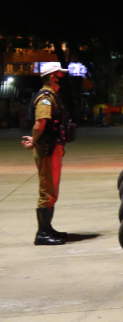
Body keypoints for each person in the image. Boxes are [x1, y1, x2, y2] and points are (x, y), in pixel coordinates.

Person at [21, 62, 71, 246]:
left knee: (51, 189)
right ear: (52, 76)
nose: (62, 78)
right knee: (47, 190)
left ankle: (48, 228)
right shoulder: (46, 98)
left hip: (52, 148)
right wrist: (34, 140)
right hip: (47, 150)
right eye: (60, 75)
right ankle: (42, 233)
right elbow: (40, 124)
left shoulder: (52, 96)